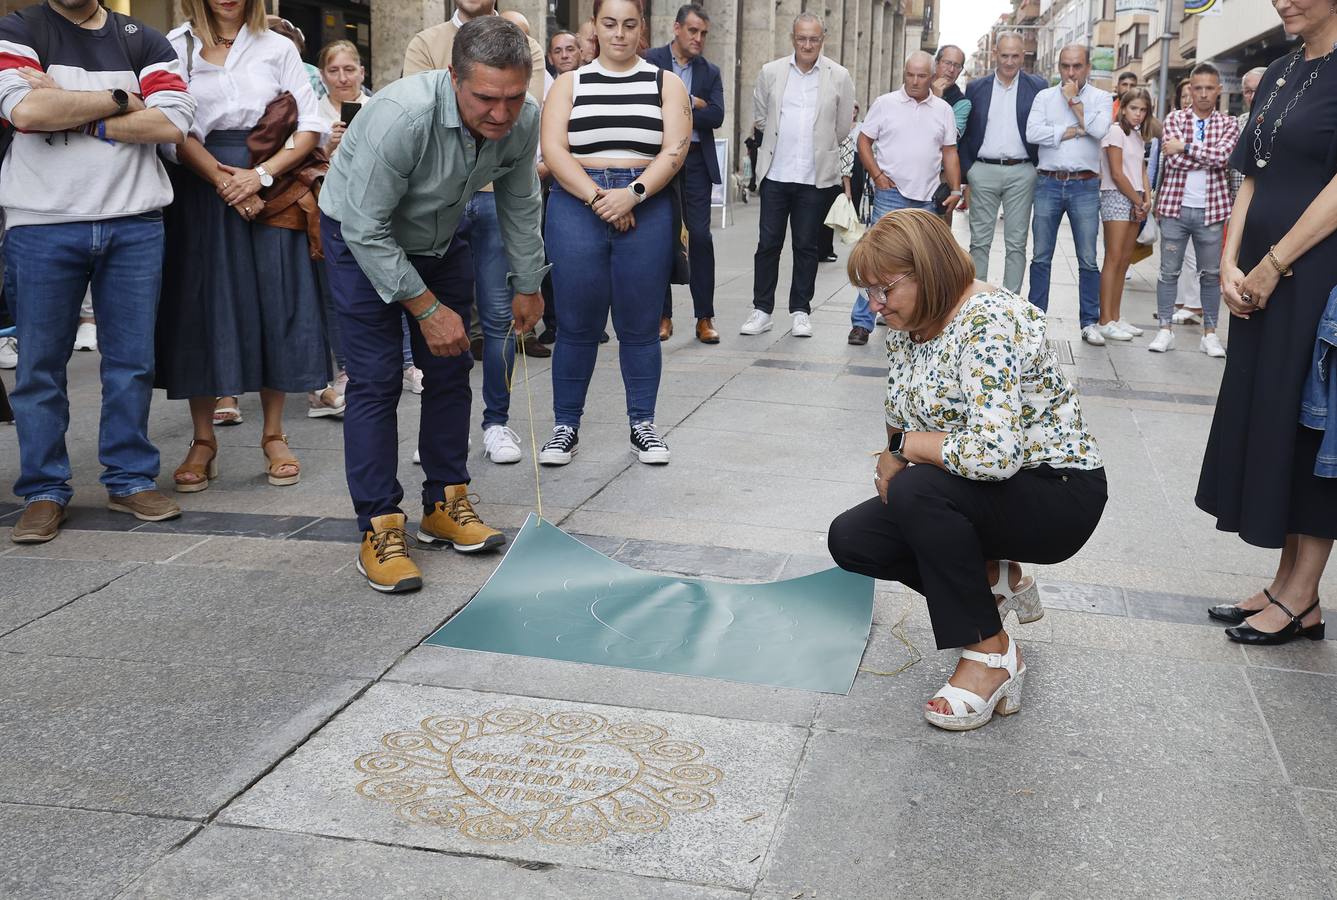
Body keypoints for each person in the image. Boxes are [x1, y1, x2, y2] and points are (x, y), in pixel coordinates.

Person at [827, 209, 1106, 731]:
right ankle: (993, 579)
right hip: (983, 488)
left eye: (884, 289)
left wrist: (902, 447)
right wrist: (901, 445)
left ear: (927, 272)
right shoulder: (913, 325)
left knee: (916, 493)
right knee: (854, 538)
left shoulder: (986, 322)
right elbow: (907, 411)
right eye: (868, 292)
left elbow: (995, 453)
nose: (875, 306)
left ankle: (990, 655)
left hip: (1057, 492)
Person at [320, 17, 545, 592]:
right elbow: (365, 229)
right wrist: (425, 307)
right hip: (359, 237)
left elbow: (521, 203)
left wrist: (528, 282)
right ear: (452, 77)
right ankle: (378, 523)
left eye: (513, 98)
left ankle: (444, 502)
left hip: (441, 236)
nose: (501, 114)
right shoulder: (402, 117)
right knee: (375, 381)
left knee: (451, 368)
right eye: (486, 99)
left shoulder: (523, 120)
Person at [0, 0, 195, 543]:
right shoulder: (16, 30)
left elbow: (174, 122)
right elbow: (24, 114)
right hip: (41, 223)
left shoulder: (145, 39)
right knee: (38, 368)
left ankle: (130, 478)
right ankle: (42, 490)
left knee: (131, 363)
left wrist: (67, 104)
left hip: (134, 222)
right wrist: (119, 100)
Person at [1200, 0, 1337, 645]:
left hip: (1316, 274)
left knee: (1311, 425)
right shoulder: (1281, 71)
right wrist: (1231, 262)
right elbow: (1250, 173)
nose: (1282, 1)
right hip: (1262, 272)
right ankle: (1286, 584)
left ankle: (1303, 591)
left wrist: (1275, 263)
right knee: (1272, 418)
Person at [157, 0, 329, 495]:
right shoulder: (174, 47)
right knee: (203, 308)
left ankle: (274, 433)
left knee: (273, 303)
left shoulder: (276, 47)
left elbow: (310, 124)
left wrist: (258, 177)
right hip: (199, 186)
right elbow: (170, 125)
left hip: (270, 187)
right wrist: (223, 181)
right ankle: (203, 440)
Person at [537, 0, 690, 468]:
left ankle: (642, 424)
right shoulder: (569, 82)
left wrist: (633, 195)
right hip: (577, 203)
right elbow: (553, 149)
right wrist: (598, 198)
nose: (619, 34)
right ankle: (566, 426)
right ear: (594, 28)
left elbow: (675, 149)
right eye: (609, 24)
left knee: (640, 326)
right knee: (576, 325)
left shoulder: (665, 82)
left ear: (642, 27)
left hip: (646, 204)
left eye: (628, 24)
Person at [403, 0, 549, 465]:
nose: (498, 108)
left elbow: (523, 114)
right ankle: (442, 432)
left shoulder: (526, 45)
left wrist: (531, 281)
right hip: (435, 194)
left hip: (494, 192)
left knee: (501, 310)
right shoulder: (426, 42)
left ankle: (497, 422)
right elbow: (423, 116)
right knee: (436, 317)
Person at [742, 12, 854, 339]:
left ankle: (801, 311)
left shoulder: (839, 75)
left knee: (806, 246)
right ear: (793, 39)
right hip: (776, 174)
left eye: (814, 39)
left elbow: (843, 126)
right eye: (802, 38)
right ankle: (762, 310)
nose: (807, 44)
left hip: (814, 178)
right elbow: (761, 118)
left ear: (823, 40)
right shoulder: (771, 72)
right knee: (768, 245)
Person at [846, 52, 960, 346]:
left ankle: (923, 321)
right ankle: (862, 323)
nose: (914, 81)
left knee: (925, 264)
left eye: (921, 76)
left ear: (933, 77)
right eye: (910, 74)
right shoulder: (885, 104)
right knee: (875, 260)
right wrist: (877, 175)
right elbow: (864, 141)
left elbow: (949, 152)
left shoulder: (944, 110)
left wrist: (957, 190)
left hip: (927, 199)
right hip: (890, 195)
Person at [1148, 62, 1238, 357]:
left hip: (1212, 210)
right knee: (1167, 272)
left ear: (1218, 90)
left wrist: (1185, 147)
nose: (1202, 94)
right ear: (1190, 89)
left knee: (1211, 274)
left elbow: (1224, 157)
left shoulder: (1228, 123)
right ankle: (1164, 330)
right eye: (1197, 88)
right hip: (1175, 207)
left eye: (1208, 88)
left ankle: (1209, 334)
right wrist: (1200, 154)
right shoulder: (1174, 118)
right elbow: (1172, 162)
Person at [645, 4, 724, 345]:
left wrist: (682, 103)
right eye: (693, 31)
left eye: (704, 33)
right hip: (660, 160)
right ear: (677, 29)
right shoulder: (651, 61)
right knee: (661, 238)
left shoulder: (710, 71)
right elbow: (647, 106)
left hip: (695, 163)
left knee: (701, 238)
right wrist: (695, 104)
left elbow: (717, 115)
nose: (698, 38)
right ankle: (663, 316)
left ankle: (704, 317)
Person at [1025, 44, 1111, 345]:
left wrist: (1074, 102)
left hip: (1085, 185)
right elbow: (1032, 133)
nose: (1070, 72)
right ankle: (1035, 319)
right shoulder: (1044, 97)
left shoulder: (1102, 97)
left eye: (1076, 66)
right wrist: (1072, 129)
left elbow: (1100, 130)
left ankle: (1089, 322)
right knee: (1041, 256)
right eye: (1065, 66)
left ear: (1087, 67)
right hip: (1048, 182)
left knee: (1088, 258)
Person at [307, 39, 372, 419]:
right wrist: (328, 148)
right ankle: (345, 368)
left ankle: (404, 362)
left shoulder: (376, 107)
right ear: (322, 75)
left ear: (362, 72)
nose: (343, 77)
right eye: (334, 70)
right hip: (326, 214)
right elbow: (303, 164)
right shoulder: (312, 116)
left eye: (350, 69)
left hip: (370, 210)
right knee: (335, 293)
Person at [960, 32, 1046, 294]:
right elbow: (965, 131)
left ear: (1023, 56)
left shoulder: (1038, 87)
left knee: (1017, 242)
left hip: (1022, 171)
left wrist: (1034, 168)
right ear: (995, 54)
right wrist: (969, 171)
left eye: (1015, 56)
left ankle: (1011, 303)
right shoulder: (976, 88)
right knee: (979, 241)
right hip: (983, 170)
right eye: (1005, 55)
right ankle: (977, 301)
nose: (1010, 62)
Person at [1096, 87, 1152, 342]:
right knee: (1113, 258)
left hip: (1136, 198)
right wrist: (1138, 199)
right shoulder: (1115, 131)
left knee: (1125, 260)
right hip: (1117, 197)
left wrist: (1147, 198)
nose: (1138, 114)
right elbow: (1117, 174)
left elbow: (1141, 169)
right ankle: (1104, 319)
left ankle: (1116, 317)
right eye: (1133, 108)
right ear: (1123, 108)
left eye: (1143, 110)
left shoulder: (1139, 135)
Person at [1230, 66, 1266, 201]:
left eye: (1258, 90)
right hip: (1235, 202)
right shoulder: (1236, 123)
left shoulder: (1283, 123)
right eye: (1247, 91)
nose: (1252, 96)